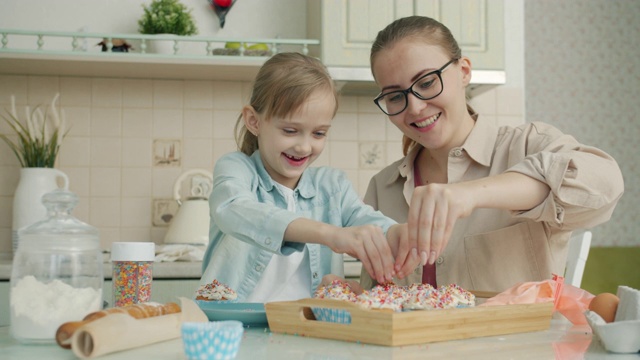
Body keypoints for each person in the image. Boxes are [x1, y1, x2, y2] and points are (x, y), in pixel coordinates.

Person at [359, 16, 624, 292]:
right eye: (395, 96)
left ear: (463, 72)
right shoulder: (382, 188)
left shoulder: (526, 145)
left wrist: (472, 193)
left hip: (522, 336)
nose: (413, 107)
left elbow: (606, 186)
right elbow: (374, 298)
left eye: (426, 82)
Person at [200, 52, 418, 302]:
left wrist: (394, 233)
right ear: (254, 121)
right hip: (233, 327)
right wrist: (330, 234)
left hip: (310, 326)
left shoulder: (332, 186)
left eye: (318, 133)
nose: (304, 147)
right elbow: (234, 209)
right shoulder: (236, 168)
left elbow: (363, 218)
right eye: (290, 130)